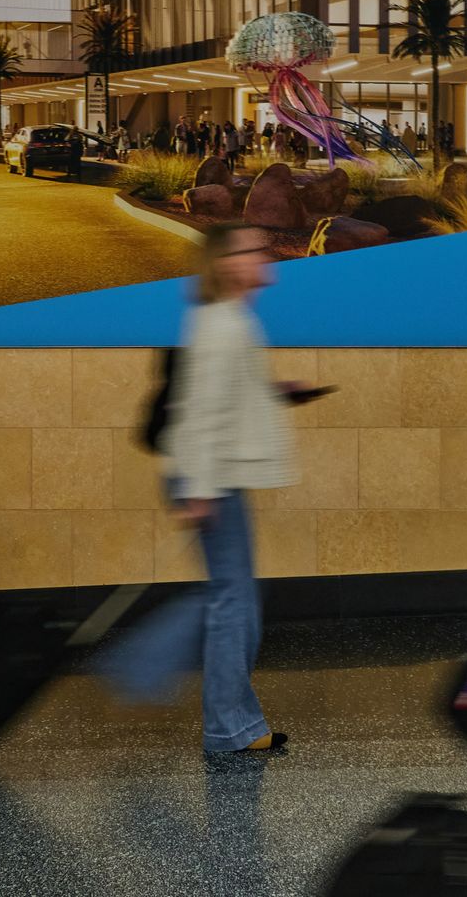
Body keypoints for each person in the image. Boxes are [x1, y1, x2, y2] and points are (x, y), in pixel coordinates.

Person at [106, 223, 320, 753]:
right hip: (209, 478)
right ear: (226, 263)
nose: (263, 254)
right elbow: (199, 413)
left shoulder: (228, 320)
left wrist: (274, 389)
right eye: (251, 249)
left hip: (213, 475)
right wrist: (198, 490)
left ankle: (231, 722)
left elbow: (223, 395)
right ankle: (187, 696)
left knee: (235, 598)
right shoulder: (221, 324)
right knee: (232, 601)